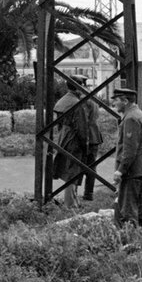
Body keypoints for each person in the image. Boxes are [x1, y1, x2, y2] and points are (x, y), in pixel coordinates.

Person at [51, 75, 92, 207]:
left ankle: (72, 201)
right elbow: (81, 127)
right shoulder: (76, 103)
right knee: (72, 172)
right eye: (82, 85)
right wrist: (85, 144)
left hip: (64, 136)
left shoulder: (63, 100)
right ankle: (70, 203)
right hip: (74, 139)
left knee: (68, 170)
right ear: (79, 87)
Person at [110, 87, 142, 228]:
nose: (114, 104)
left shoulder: (131, 118)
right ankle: (141, 239)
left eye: (116, 100)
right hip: (139, 170)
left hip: (131, 172)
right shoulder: (139, 114)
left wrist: (121, 170)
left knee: (128, 210)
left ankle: (130, 241)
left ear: (125, 101)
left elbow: (130, 149)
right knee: (140, 209)